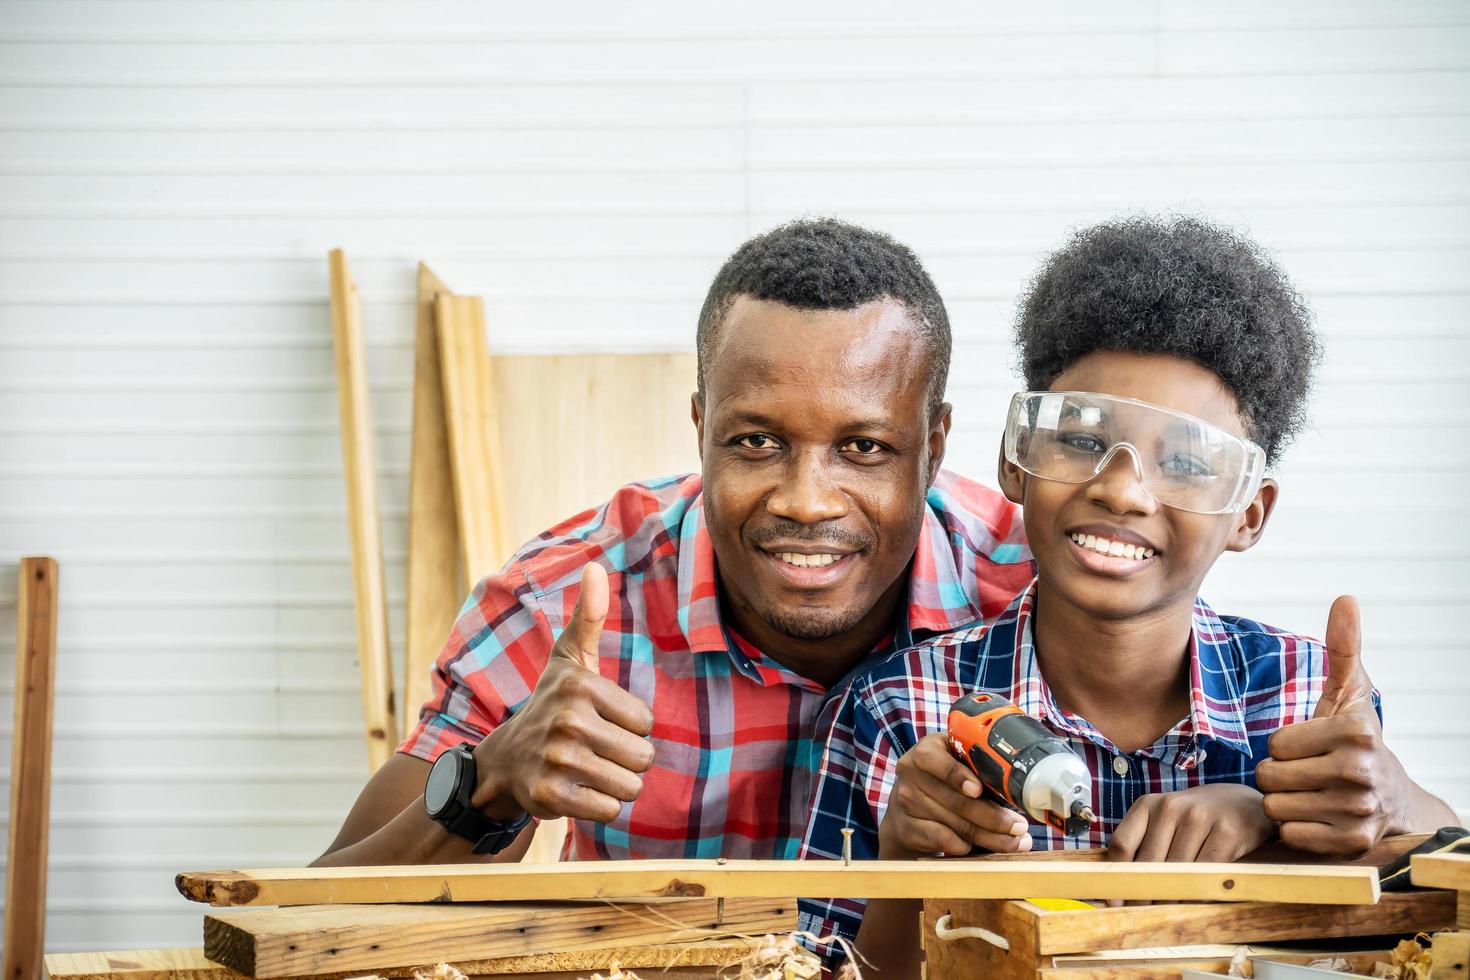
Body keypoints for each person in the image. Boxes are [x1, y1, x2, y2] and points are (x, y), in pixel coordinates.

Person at [796, 215, 1458, 976]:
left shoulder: (1309, 699)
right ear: (1017, 461)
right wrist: (909, 864)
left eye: (1185, 461)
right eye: (1080, 440)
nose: (1120, 489)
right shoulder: (898, 709)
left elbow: (1422, 917)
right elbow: (827, 967)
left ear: (1250, 513)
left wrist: (1355, 805)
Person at [312, 218, 1035, 866]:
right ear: (700, 427)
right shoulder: (563, 604)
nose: (806, 501)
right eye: (757, 441)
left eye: (865, 447)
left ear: (933, 445)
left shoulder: (1030, 595)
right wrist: (490, 786)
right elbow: (312, 916)